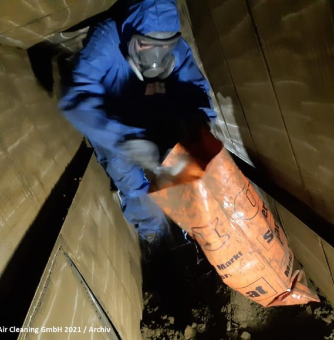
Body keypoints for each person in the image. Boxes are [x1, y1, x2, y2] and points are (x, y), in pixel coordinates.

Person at [59, 0, 216, 250]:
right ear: (130, 33)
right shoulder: (108, 37)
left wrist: (200, 124)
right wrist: (124, 139)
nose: (155, 56)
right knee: (132, 183)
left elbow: (196, 88)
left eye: (164, 46)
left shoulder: (177, 48)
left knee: (189, 169)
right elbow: (76, 97)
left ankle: (195, 233)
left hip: (150, 115)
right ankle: (157, 240)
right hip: (112, 125)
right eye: (145, 44)